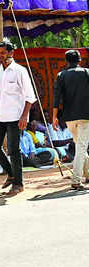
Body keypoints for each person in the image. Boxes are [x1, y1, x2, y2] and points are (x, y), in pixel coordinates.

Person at [0, 42, 36, 195]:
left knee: (13, 150)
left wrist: (24, 116)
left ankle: (18, 183)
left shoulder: (20, 71)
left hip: (16, 116)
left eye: (3, 52)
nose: (0, 55)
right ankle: (11, 174)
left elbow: (30, 96)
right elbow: (0, 95)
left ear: (11, 53)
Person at [53, 49, 89, 190]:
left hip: (69, 118)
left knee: (80, 145)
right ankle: (75, 180)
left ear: (66, 61)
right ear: (79, 60)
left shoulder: (61, 75)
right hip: (86, 116)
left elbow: (56, 98)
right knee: (81, 147)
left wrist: (55, 117)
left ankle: (87, 173)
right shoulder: (86, 72)